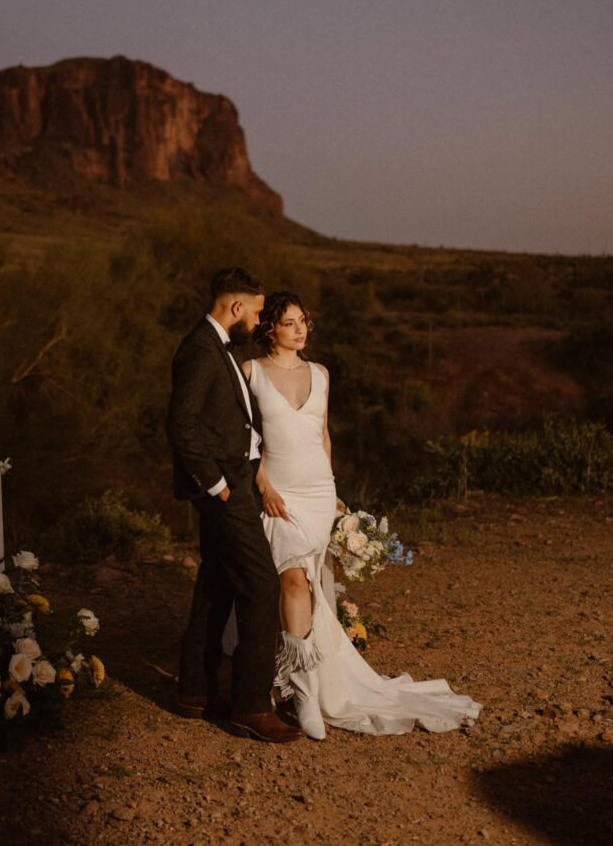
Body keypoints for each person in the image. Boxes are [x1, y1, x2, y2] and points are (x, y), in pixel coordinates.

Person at [242, 291, 482, 739]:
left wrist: (333, 492)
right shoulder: (251, 372)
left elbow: (324, 435)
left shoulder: (321, 373)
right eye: (290, 322)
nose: (300, 329)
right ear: (269, 328)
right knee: (292, 580)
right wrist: (262, 485)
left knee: (310, 587)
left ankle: (301, 684)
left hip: (318, 493)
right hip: (279, 495)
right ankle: (305, 692)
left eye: (303, 321)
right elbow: (243, 438)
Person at [166, 268, 303, 743]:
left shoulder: (216, 347)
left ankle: (195, 691)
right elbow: (182, 426)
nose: (261, 319)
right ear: (237, 307)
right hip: (226, 488)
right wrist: (218, 486)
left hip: (238, 481)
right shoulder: (201, 350)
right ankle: (250, 706)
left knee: (217, 583)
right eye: (259, 311)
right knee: (262, 585)